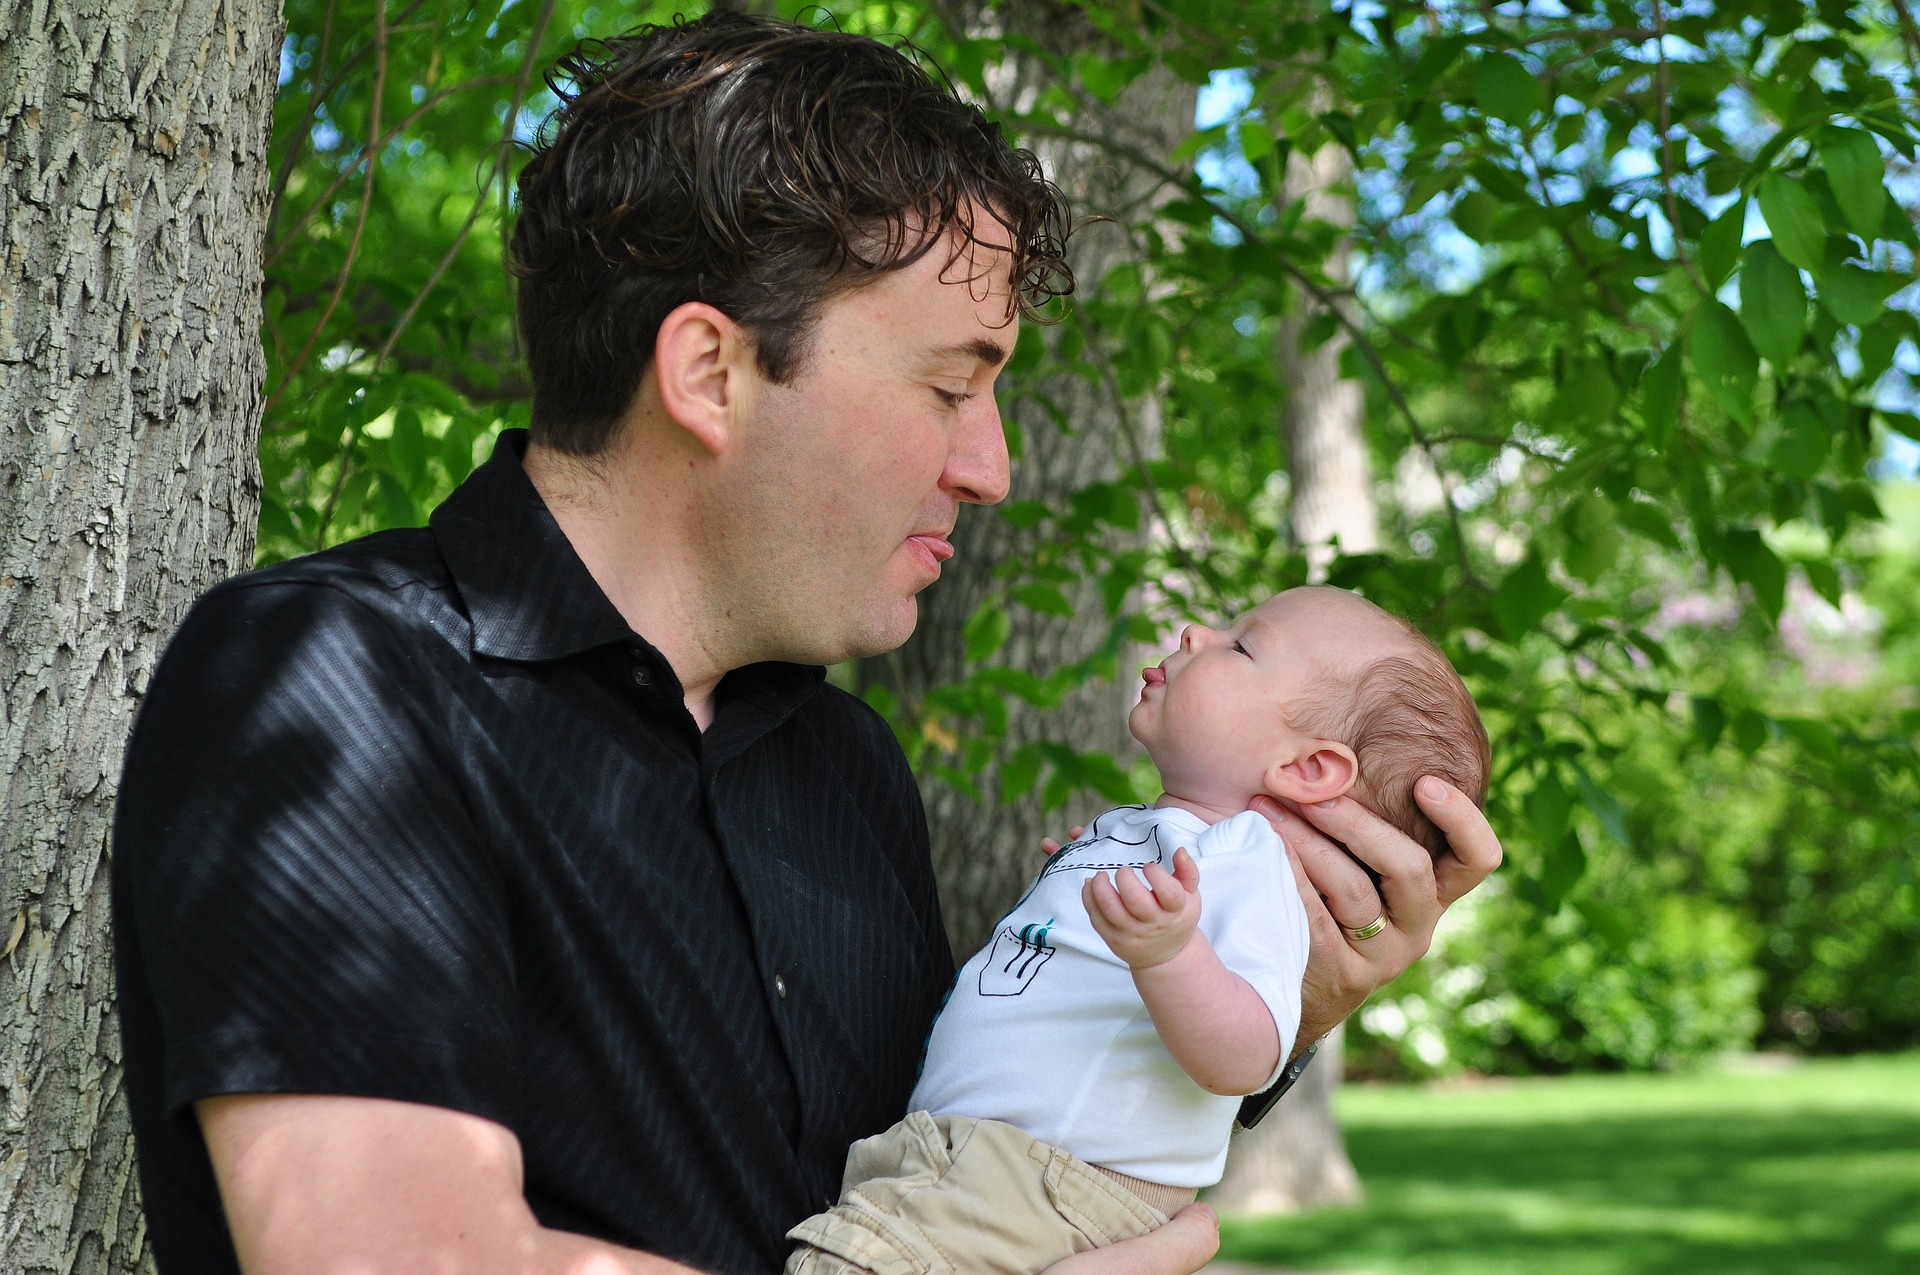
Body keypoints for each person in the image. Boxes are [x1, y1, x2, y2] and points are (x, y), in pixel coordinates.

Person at [110, 13, 1503, 1275]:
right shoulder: (335, 681)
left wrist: (1280, 1003)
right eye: (953, 383)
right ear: (711, 371)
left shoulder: (842, 766)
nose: (993, 466)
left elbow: (958, 1174)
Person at [786, 587, 1490, 1274]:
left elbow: (1248, 1055)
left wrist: (1170, 949)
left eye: (1241, 644)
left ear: (1308, 768)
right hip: (981, 1166)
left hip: (1043, 1183)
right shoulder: (1144, 832)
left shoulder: (1252, 862)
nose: (1192, 632)